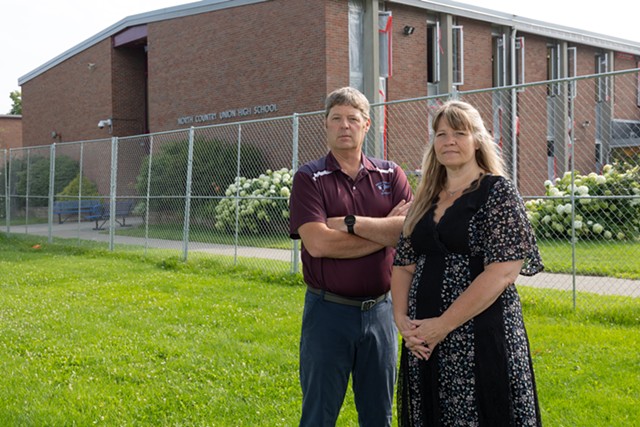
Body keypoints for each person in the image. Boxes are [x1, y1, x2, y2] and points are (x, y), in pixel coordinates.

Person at [391, 100, 544, 426]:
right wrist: (402, 319)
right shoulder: (425, 198)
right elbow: (404, 264)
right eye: (441, 134)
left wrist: (443, 325)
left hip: (480, 334)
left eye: (459, 133)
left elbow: (503, 271)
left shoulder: (497, 192)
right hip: (423, 340)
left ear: (477, 140)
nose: (449, 141)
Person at [289, 86, 413, 427]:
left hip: (381, 312)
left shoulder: (391, 174)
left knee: (379, 415)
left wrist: (349, 226)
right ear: (325, 125)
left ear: (367, 124)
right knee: (318, 415)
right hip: (328, 313)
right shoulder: (309, 178)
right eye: (336, 119)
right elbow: (318, 245)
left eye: (353, 119)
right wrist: (386, 230)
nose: (345, 125)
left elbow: (408, 232)